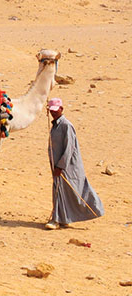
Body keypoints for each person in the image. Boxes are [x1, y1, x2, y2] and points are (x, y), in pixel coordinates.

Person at [45, 98, 104, 230]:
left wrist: (60, 166)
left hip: (67, 166)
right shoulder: (55, 126)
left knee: (71, 190)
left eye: (56, 110)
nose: (53, 113)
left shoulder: (66, 125)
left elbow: (69, 148)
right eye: (51, 111)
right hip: (58, 165)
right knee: (60, 190)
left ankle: (56, 220)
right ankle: (63, 218)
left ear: (61, 109)